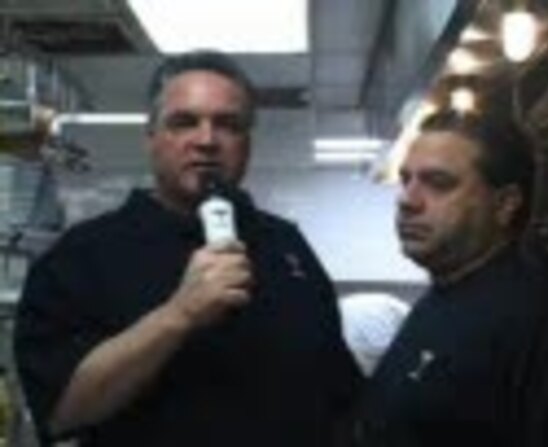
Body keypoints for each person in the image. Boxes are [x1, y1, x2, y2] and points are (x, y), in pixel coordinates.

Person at [13, 50, 361, 446]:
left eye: (228, 125)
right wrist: (179, 314)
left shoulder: (287, 247)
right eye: (183, 123)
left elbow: (338, 392)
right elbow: (63, 411)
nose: (206, 140)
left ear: (247, 142)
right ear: (151, 137)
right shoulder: (82, 256)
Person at [351, 109, 548, 446]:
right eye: (406, 179)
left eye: (438, 183)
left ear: (505, 204)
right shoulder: (443, 296)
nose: (407, 201)